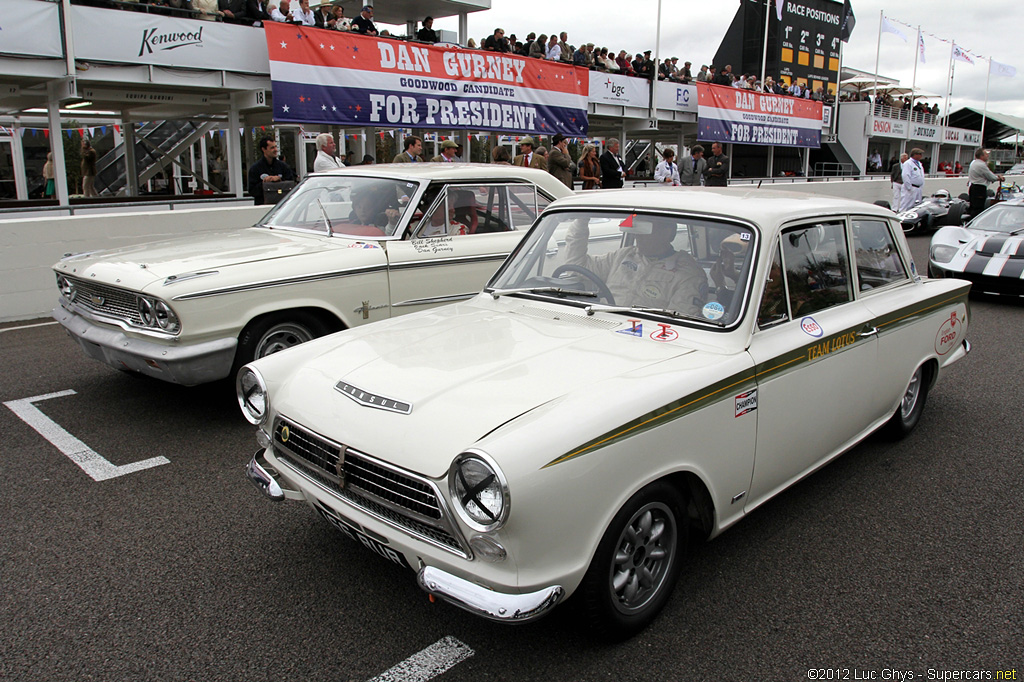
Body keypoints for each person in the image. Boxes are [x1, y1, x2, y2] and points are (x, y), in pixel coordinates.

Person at [564, 215, 708, 317]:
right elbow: (576, 264)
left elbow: (680, 322)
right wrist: (582, 221)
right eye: (637, 231)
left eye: (646, 231)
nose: (638, 237)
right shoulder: (624, 255)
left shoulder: (687, 273)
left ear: (667, 233)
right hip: (603, 320)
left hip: (646, 336)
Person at [247, 136, 295, 205]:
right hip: (263, 207)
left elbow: (291, 185)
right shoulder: (255, 168)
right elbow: (252, 190)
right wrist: (265, 183)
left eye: (276, 147)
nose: (275, 150)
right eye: (272, 148)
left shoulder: (283, 167)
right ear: (264, 149)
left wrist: (279, 180)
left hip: (282, 207)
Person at [967, 148, 1004, 216]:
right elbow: (990, 176)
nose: (988, 156)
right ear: (981, 156)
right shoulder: (981, 165)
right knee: (978, 208)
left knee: (973, 207)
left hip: (973, 187)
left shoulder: (974, 163)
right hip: (979, 188)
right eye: (986, 154)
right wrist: (999, 178)